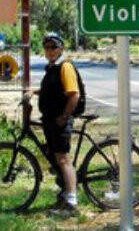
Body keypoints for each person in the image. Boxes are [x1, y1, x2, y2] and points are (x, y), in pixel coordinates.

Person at [30, 32, 83, 212]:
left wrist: (64, 116)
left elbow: (74, 94)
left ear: (61, 48)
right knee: (55, 156)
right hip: (51, 120)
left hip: (60, 120)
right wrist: (33, 92)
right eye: (47, 47)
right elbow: (51, 90)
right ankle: (65, 194)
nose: (50, 50)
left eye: (54, 47)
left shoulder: (65, 67)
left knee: (62, 159)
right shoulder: (52, 68)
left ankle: (72, 201)